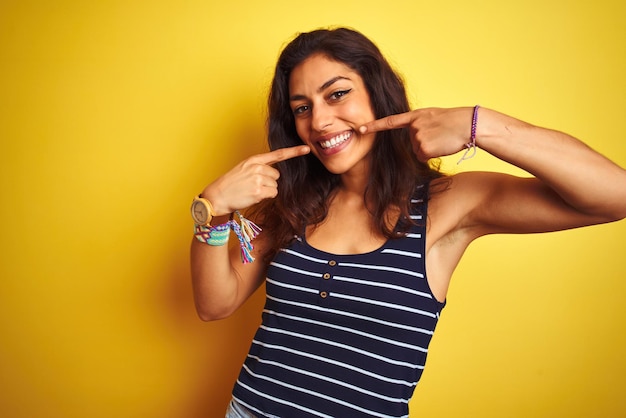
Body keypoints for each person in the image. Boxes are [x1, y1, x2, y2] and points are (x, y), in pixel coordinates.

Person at [189, 27, 626, 418]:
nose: (319, 121)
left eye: (337, 94)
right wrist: (213, 207)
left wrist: (481, 124)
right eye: (302, 108)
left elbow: (614, 195)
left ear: (377, 94)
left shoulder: (449, 203)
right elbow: (215, 304)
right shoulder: (293, 205)